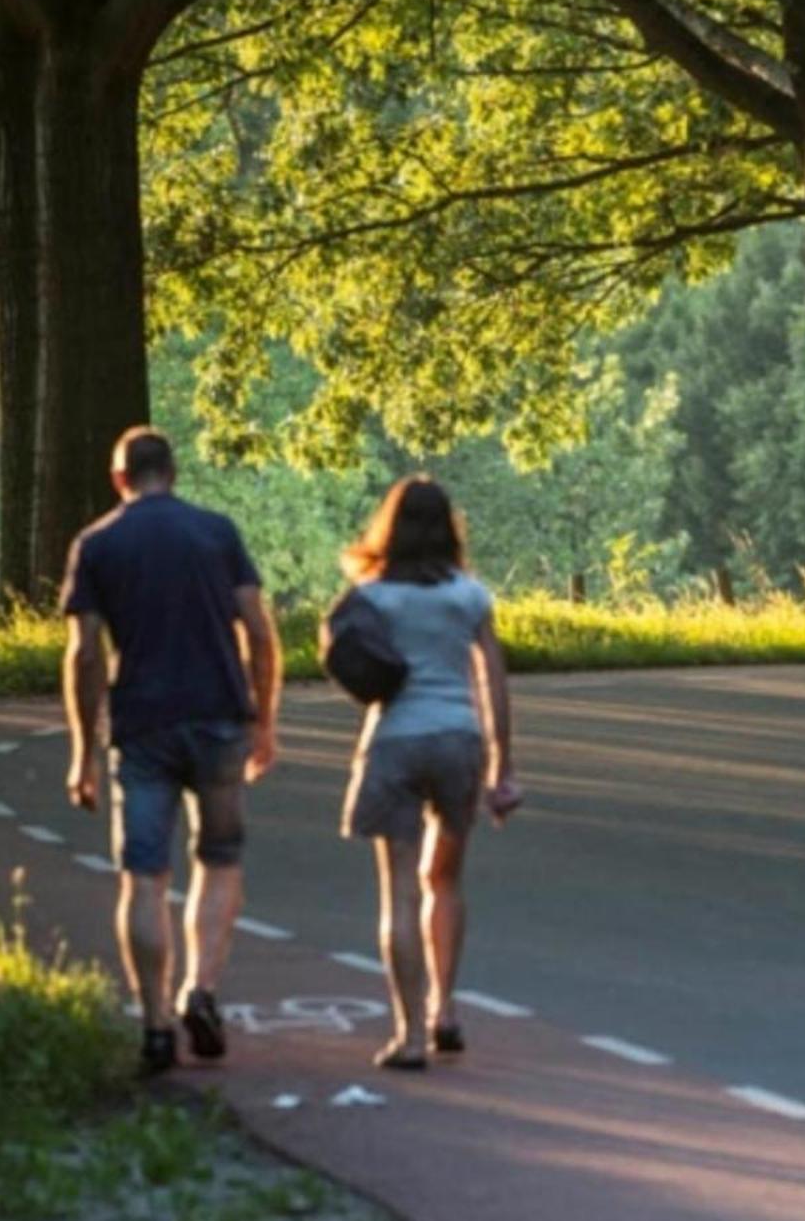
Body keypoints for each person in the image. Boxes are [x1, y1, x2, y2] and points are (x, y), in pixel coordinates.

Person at [60, 427, 280, 1076]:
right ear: (174, 473)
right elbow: (261, 635)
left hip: (143, 728)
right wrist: (263, 722)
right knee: (219, 858)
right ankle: (201, 990)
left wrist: (84, 753)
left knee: (145, 876)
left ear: (119, 478)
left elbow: (84, 655)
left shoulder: (97, 544)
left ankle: (155, 1024)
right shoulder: (217, 533)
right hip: (218, 721)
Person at [331, 476, 520, 1070]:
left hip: (395, 740)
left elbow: (338, 649)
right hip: (458, 740)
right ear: (448, 529)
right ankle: (447, 1010)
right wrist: (502, 766)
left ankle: (409, 1036)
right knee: (445, 881)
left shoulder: (372, 596)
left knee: (400, 890)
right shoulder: (470, 596)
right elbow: (493, 680)